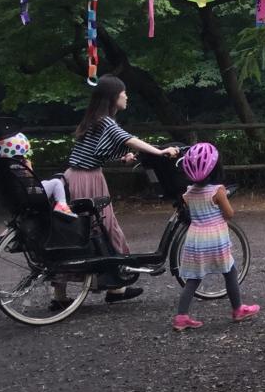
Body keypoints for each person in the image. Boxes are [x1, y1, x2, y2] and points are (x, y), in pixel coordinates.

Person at [55, 75, 180, 305]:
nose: (126, 96)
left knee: (75, 232)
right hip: (87, 180)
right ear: (114, 97)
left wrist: (121, 157)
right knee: (102, 228)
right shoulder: (106, 122)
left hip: (75, 176)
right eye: (123, 92)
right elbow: (129, 139)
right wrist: (159, 152)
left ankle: (64, 294)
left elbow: (98, 151)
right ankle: (117, 286)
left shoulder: (94, 119)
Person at [173, 142, 258, 332]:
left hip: (195, 240)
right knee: (230, 272)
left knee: (193, 280)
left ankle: (181, 317)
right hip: (216, 240)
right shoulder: (218, 191)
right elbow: (229, 214)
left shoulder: (188, 193)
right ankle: (238, 309)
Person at [0, 133, 76, 218]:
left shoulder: (2, 165)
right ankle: (62, 206)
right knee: (56, 182)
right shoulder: (21, 164)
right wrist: (29, 167)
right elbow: (31, 181)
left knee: (45, 182)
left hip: (13, 197)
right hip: (28, 196)